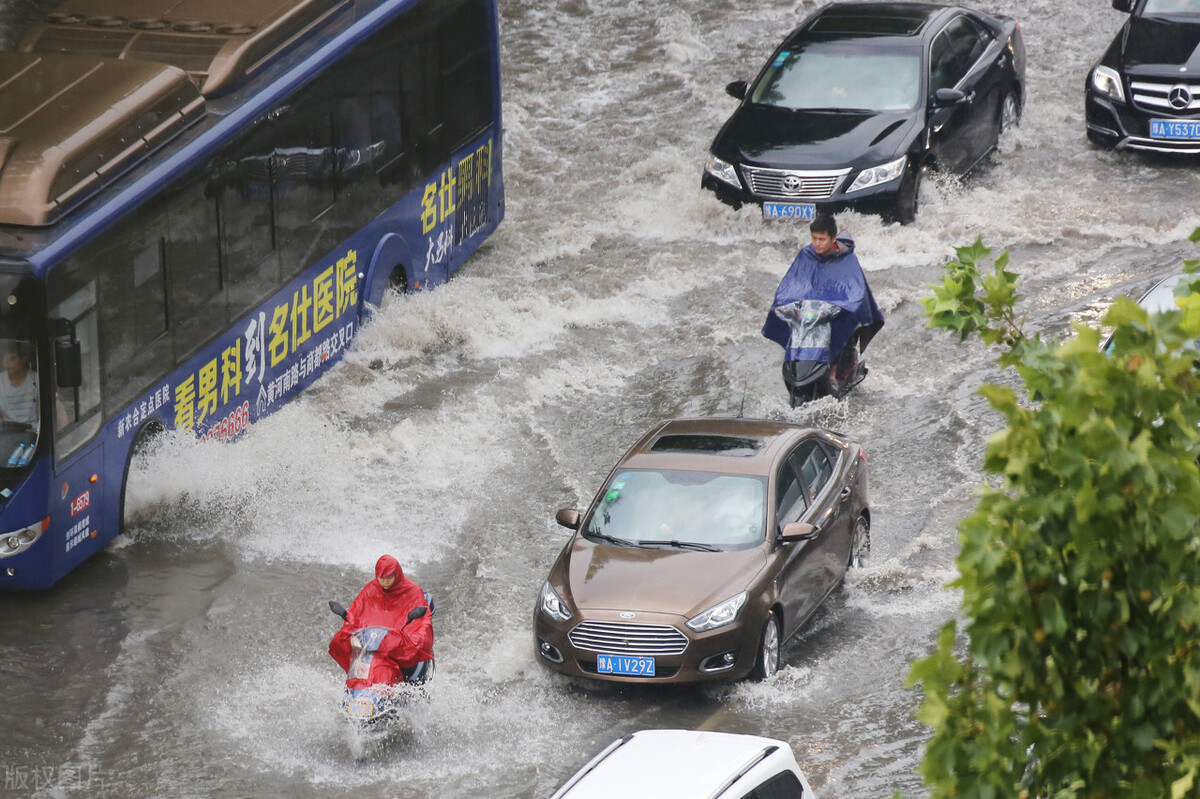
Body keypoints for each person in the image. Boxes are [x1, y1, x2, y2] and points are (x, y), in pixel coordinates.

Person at [761, 214, 884, 389]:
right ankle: (795, 364)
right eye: (814, 238)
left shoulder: (847, 260)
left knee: (840, 323)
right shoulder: (807, 255)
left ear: (833, 238)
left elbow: (856, 292)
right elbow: (793, 283)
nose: (817, 243)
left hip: (837, 310)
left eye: (822, 239)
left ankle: (833, 371)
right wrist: (783, 301)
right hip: (813, 310)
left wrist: (843, 305)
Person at [328, 555, 434, 688]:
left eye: (390, 577)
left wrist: (410, 639)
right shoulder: (371, 589)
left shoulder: (412, 591)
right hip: (373, 645)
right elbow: (356, 613)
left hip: (397, 647)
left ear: (397, 574)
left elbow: (421, 623)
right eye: (382, 578)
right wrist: (349, 630)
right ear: (376, 575)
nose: (386, 582)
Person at [0, 344, 39, 425]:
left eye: (12, 359)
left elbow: (57, 406)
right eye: (5, 360)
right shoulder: (0, 380)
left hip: (34, 430)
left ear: (24, 359)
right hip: (7, 430)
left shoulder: (36, 378)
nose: (8, 364)